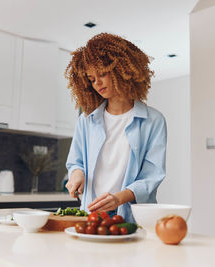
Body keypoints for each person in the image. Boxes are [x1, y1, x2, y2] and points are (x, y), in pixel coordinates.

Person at [64, 33, 167, 223]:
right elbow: (75, 162)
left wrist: (117, 199)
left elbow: (152, 176)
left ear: (122, 69)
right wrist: (77, 174)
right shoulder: (86, 121)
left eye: (102, 73)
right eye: (91, 79)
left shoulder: (154, 120)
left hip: (131, 217)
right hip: (91, 214)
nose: (97, 83)